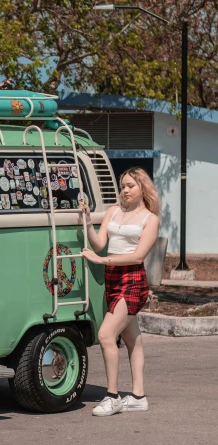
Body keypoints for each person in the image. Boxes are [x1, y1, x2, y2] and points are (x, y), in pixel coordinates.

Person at [78, 167, 160, 417]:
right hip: (112, 278)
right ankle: (138, 396)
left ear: (142, 188)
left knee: (105, 335)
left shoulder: (150, 219)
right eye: (122, 185)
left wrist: (102, 261)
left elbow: (137, 256)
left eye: (130, 186)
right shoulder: (113, 211)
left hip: (132, 280)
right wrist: (88, 220)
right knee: (132, 338)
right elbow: (100, 244)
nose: (124, 190)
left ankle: (112, 397)